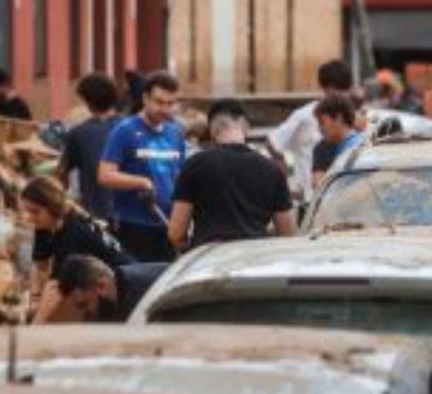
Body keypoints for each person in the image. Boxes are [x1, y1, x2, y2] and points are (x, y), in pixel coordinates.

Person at [168, 100, 296, 252]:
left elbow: (176, 233)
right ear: (246, 127)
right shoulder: (272, 170)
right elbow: (287, 233)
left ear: (212, 130)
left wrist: (189, 251)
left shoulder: (195, 165)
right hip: (253, 261)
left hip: (207, 262)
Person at [97, 70, 186, 263]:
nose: (165, 109)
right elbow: (105, 175)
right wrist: (141, 182)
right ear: (145, 98)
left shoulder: (175, 133)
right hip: (133, 226)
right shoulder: (125, 130)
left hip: (167, 225)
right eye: (159, 102)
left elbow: (180, 176)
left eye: (170, 103)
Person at [270, 59, 356, 201]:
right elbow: (272, 141)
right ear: (326, 88)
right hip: (311, 199)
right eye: (338, 89)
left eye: (345, 90)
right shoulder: (305, 115)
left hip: (345, 199)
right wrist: (285, 176)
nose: (342, 95)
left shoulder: (352, 115)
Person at [54, 72, 121, 219]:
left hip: (96, 215)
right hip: (131, 217)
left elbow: (60, 176)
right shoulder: (132, 127)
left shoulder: (78, 134)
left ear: (87, 102)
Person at [35, 254, 167, 325]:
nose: (85, 314)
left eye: (84, 304)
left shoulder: (140, 299)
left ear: (101, 286)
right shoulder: (120, 287)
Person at [311, 93, 366, 194]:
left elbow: (325, 191)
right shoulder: (324, 148)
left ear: (338, 118)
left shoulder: (357, 148)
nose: (319, 129)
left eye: (322, 122)